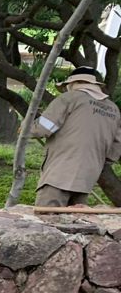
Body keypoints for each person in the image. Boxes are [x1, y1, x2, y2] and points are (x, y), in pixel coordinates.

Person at [30, 66, 121, 207]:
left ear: (72, 83)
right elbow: (115, 149)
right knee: (74, 222)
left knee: (46, 218)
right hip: (87, 178)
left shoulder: (69, 98)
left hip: (58, 175)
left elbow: (42, 129)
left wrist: (26, 129)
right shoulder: (113, 109)